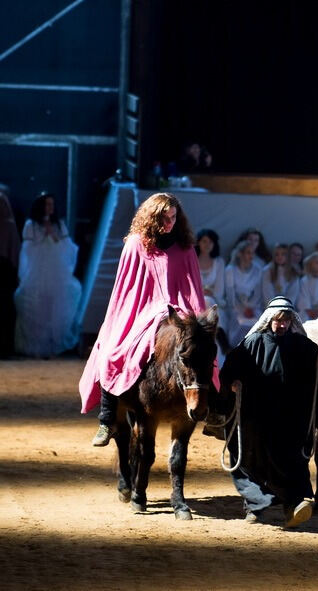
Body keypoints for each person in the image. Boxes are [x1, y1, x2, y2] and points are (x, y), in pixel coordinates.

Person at [79, 192, 209, 446]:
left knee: (202, 347)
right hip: (139, 310)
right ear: (152, 217)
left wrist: (185, 314)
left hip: (177, 310)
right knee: (110, 349)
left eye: (173, 217)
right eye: (164, 218)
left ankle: (213, 410)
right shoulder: (135, 244)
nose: (170, 223)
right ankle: (107, 419)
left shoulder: (185, 248)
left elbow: (192, 289)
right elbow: (125, 289)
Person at [218, 296, 318, 527]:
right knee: (248, 458)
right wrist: (233, 382)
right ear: (269, 320)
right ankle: (255, 506)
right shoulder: (253, 342)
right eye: (278, 320)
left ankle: (294, 506)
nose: (282, 325)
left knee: (292, 460)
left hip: (289, 416)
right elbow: (230, 368)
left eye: (286, 321)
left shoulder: (301, 345)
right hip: (256, 415)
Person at [14, 192, 82, 358]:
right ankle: (35, 346)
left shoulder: (59, 224)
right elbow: (27, 248)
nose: (50, 208)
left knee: (58, 304)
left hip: (56, 271)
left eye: (52, 204)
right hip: (37, 271)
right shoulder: (30, 225)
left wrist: (52, 234)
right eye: (47, 204)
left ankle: (54, 346)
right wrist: (42, 237)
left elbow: (67, 245)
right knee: (35, 304)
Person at [195, 229, 228, 356]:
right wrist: (200, 292)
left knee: (210, 302)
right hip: (195, 299)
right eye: (204, 241)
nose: (207, 245)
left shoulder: (219, 262)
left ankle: (220, 341)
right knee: (207, 301)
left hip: (214, 300)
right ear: (198, 242)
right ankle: (221, 337)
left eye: (210, 242)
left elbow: (220, 289)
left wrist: (210, 293)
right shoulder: (192, 260)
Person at [225, 239, 264, 348]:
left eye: (252, 253)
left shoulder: (257, 270)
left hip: (253, 307)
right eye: (248, 252)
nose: (251, 256)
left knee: (258, 322)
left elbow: (258, 292)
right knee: (240, 322)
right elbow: (230, 293)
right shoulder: (230, 270)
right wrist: (242, 308)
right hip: (236, 306)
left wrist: (250, 307)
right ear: (240, 254)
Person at [0, 189, 19, 358]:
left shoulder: (9, 226)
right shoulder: (10, 225)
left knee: (6, 309)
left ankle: (6, 347)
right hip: (7, 270)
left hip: (6, 271)